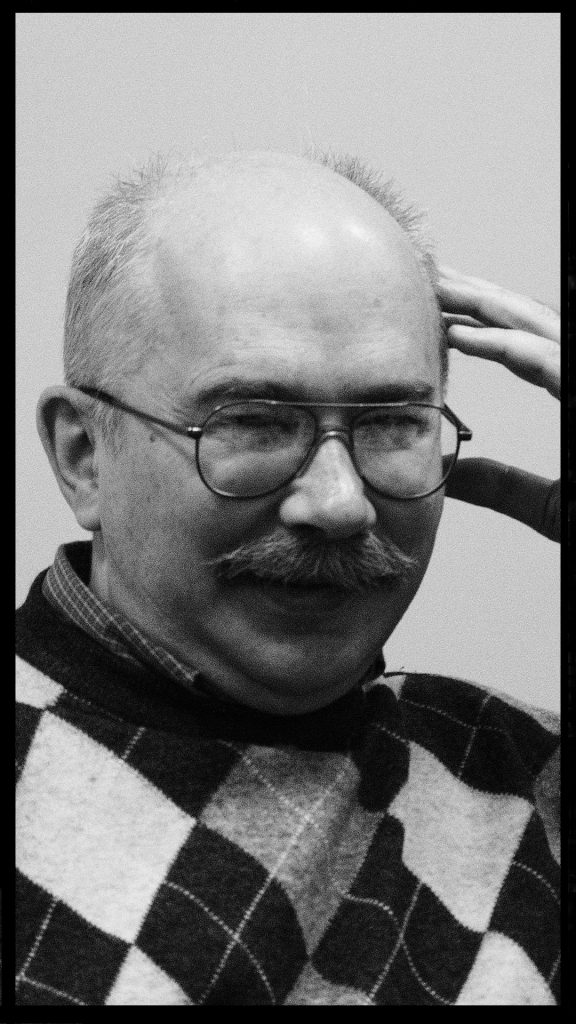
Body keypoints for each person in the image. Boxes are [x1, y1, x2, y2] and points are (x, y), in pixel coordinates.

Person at [16, 150, 560, 1006]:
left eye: (391, 423)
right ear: (84, 456)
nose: (339, 503)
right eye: (255, 422)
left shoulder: (525, 783)